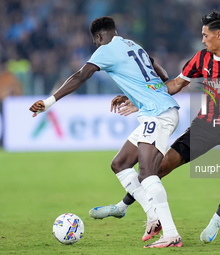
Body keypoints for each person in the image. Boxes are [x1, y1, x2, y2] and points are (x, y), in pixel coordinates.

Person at [89, 10, 220, 243]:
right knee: (159, 167)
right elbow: (174, 84)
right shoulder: (201, 59)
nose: (203, 40)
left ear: (219, 35)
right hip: (205, 125)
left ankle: (216, 220)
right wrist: (138, 99)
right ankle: (122, 206)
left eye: (206, 35)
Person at [29, 16, 183, 248]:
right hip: (158, 110)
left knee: (148, 173)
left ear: (99, 37)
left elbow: (81, 75)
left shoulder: (105, 49)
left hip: (157, 114)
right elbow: (160, 74)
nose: (97, 47)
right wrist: (134, 94)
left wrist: (49, 101)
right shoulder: (132, 45)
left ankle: (171, 234)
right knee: (120, 164)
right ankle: (153, 216)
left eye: (96, 43)